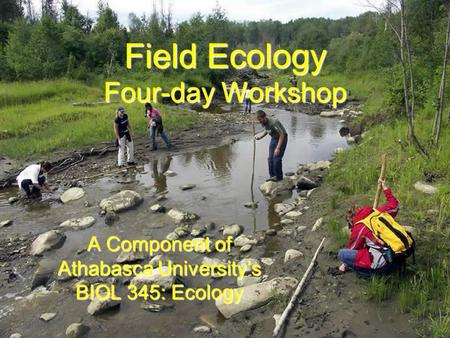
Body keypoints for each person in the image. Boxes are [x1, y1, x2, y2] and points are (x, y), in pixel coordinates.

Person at [337, 179, 400, 278]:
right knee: (367, 246)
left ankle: (374, 275)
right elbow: (395, 205)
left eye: (350, 225)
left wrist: (345, 264)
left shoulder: (359, 227)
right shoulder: (375, 212)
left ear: (351, 220)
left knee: (342, 254)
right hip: (398, 254)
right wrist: (385, 187)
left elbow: (353, 249)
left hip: (386, 262)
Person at [255, 110, 288, 181]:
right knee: (270, 159)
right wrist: (260, 137)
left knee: (276, 159)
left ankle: (279, 178)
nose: (259, 122)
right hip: (274, 138)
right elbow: (267, 130)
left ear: (264, 117)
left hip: (282, 138)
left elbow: (282, 134)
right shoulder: (265, 123)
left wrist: (278, 148)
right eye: (258, 121)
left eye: (260, 120)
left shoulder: (274, 122)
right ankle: (272, 176)